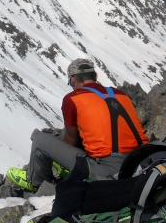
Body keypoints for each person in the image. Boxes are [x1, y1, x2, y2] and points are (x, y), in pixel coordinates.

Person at [8, 58, 149, 192]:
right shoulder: (120, 94)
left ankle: (35, 182)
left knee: (40, 139)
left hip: (111, 171)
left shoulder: (73, 99)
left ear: (73, 80)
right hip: (143, 160)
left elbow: (71, 141)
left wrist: (58, 147)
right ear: (95, 75)